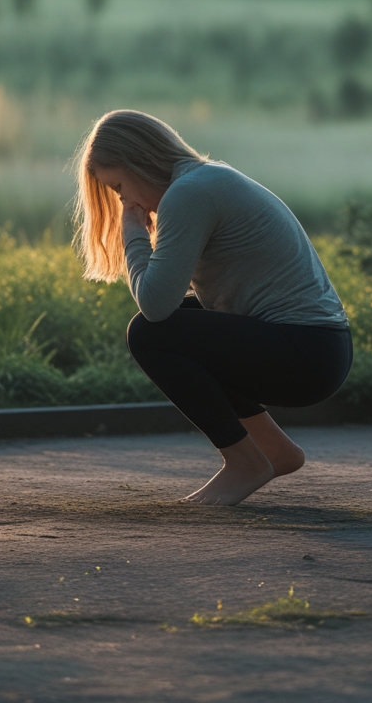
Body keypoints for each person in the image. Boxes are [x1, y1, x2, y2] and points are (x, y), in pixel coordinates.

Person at [73, 109, 352, 505]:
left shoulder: (190, 193)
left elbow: (154, 304)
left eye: (119, 187)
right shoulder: (203, 181)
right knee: (182, 320)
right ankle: (275, 451)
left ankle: (245, 463)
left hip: (307, 354)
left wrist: (132, 234)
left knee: (150, 334)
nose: (125, 203)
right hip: (318, 350)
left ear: (140, 163)